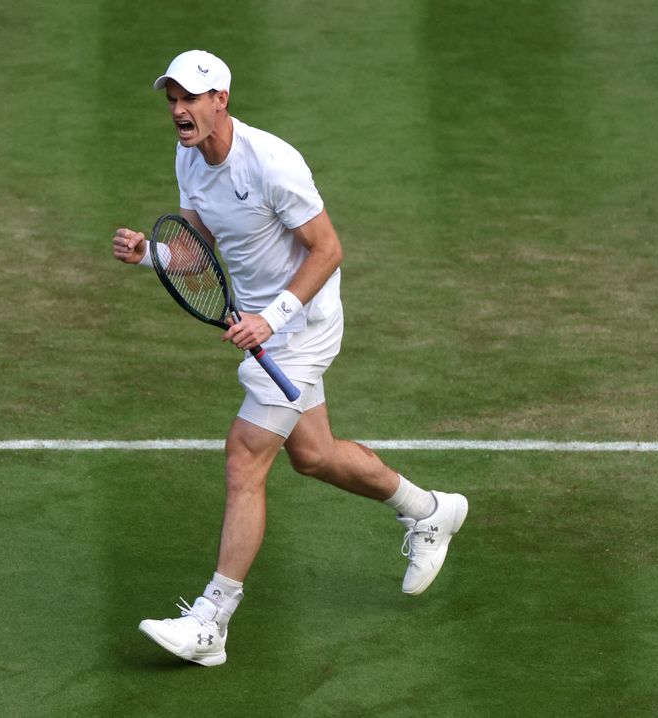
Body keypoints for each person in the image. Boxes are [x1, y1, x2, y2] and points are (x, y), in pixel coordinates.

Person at [111, 50, 468, 667]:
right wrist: (151, 256)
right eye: (172, 99)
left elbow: (328, 249)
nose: (178, 110)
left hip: (302, 325)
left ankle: (211, 623)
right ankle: (430, 512)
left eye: (190, 98)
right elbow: (197, 250)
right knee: (314, 455)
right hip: (266, 325)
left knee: (244, 456)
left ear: (221, 100)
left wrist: (270, 319)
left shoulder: (272, 162)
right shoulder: (188, 157)